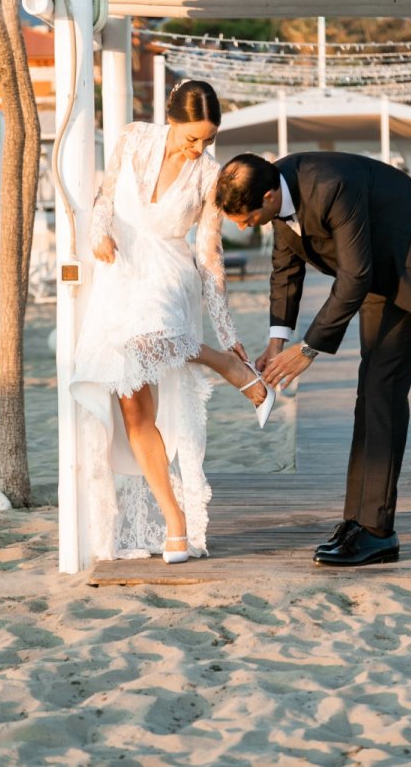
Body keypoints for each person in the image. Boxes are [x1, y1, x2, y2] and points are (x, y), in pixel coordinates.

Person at [215, 150, 411, 566]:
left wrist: (309, 348)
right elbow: (285, 269)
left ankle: (378, 532)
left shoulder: (330, 184)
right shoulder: (277, 193)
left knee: (383, 388)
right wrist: (277, 342)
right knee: (368, 390)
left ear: (266, 197)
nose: (243, 226)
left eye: (245, 218)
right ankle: (357, 522)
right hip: (377, 270)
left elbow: (354, 277)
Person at [70, 82, 274, 566]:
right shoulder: (132, 138)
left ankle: (221, 360)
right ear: (171, 120)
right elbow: (103, 196)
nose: (200, 148)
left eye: (208, 139)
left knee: (146, 340)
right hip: (119, 274)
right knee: (134, 411)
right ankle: (174, 523)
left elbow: (209, 254)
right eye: (192, 138)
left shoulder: (209, 175)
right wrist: (98, 233)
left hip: (168, 277)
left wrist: (228, 332)